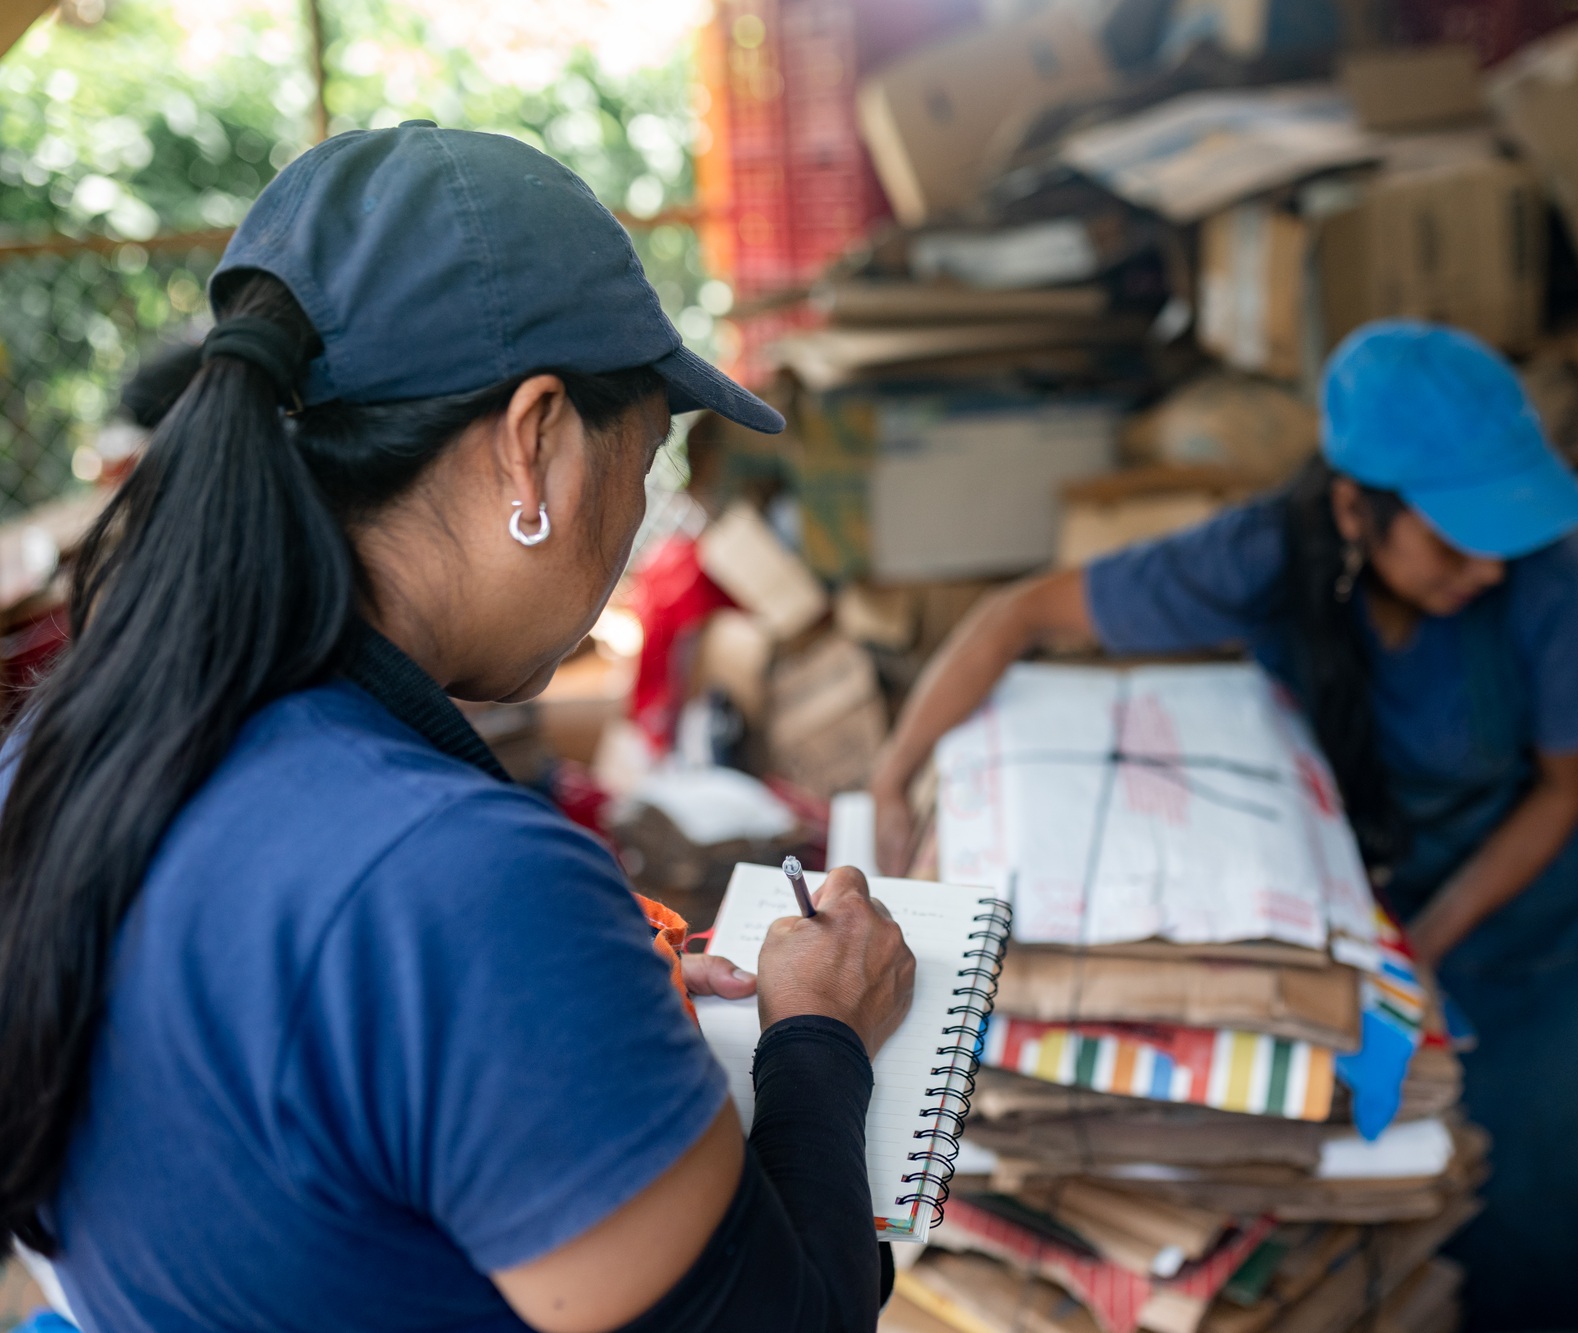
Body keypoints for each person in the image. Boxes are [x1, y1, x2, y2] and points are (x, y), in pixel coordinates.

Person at [0, 122, 916, 1333]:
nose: (638, 514)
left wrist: (570, 1010)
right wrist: (816, 1034)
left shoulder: (59, 757)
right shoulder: (460, 880)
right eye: (642, 458)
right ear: (533, 446)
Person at [871, 322, 1578, 1331]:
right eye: (1455, 540)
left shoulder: (1554, 579)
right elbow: (1020, 616)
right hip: (1414, 893)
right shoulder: (1259, 555)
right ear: (1351, 509)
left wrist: (1425, 944)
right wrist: (893, 778)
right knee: (1459, 1192)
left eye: (1500, 536)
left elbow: (1564, 790)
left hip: (1577, 909)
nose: (1488, 568)